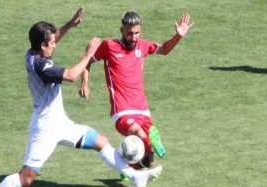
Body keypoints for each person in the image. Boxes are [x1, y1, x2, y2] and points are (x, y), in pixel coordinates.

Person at [0, 7, 162, 187]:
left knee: (102, 142)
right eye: (52, 43)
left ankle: (135, 177)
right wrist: (89, 53)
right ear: (43, 46)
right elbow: (70, 75)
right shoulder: (42, 66)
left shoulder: (33, 51)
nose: (55, 44)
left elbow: (53, 37)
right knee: (27, 179)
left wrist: (70, 23)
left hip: (61, 123)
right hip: (44, 129)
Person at [80, 11, 193, 170]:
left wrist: (178, 35)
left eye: (137, 33)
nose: (133, 37)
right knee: (140, 136)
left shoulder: (143, 45)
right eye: (129, 33)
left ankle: (130, 168)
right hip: (122, 111)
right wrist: (84, 83)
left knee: (147, 161)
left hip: (142, 109)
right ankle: (151, 143)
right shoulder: (109, 46)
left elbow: (165, 49)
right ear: (121, 30)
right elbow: (86, 62)